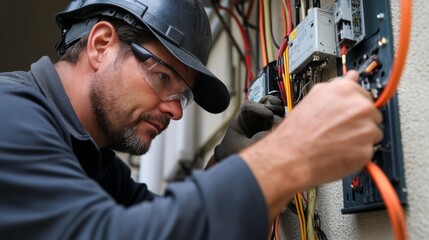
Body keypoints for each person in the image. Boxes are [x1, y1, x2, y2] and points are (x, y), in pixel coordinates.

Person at [0, 0, 382, 239]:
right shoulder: (12, 114)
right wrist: (288, 155)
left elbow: (161, 224)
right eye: (163, 77)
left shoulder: (94, 162)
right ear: (101, 45)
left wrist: (224, 164)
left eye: (182, 94)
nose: (177, 110)